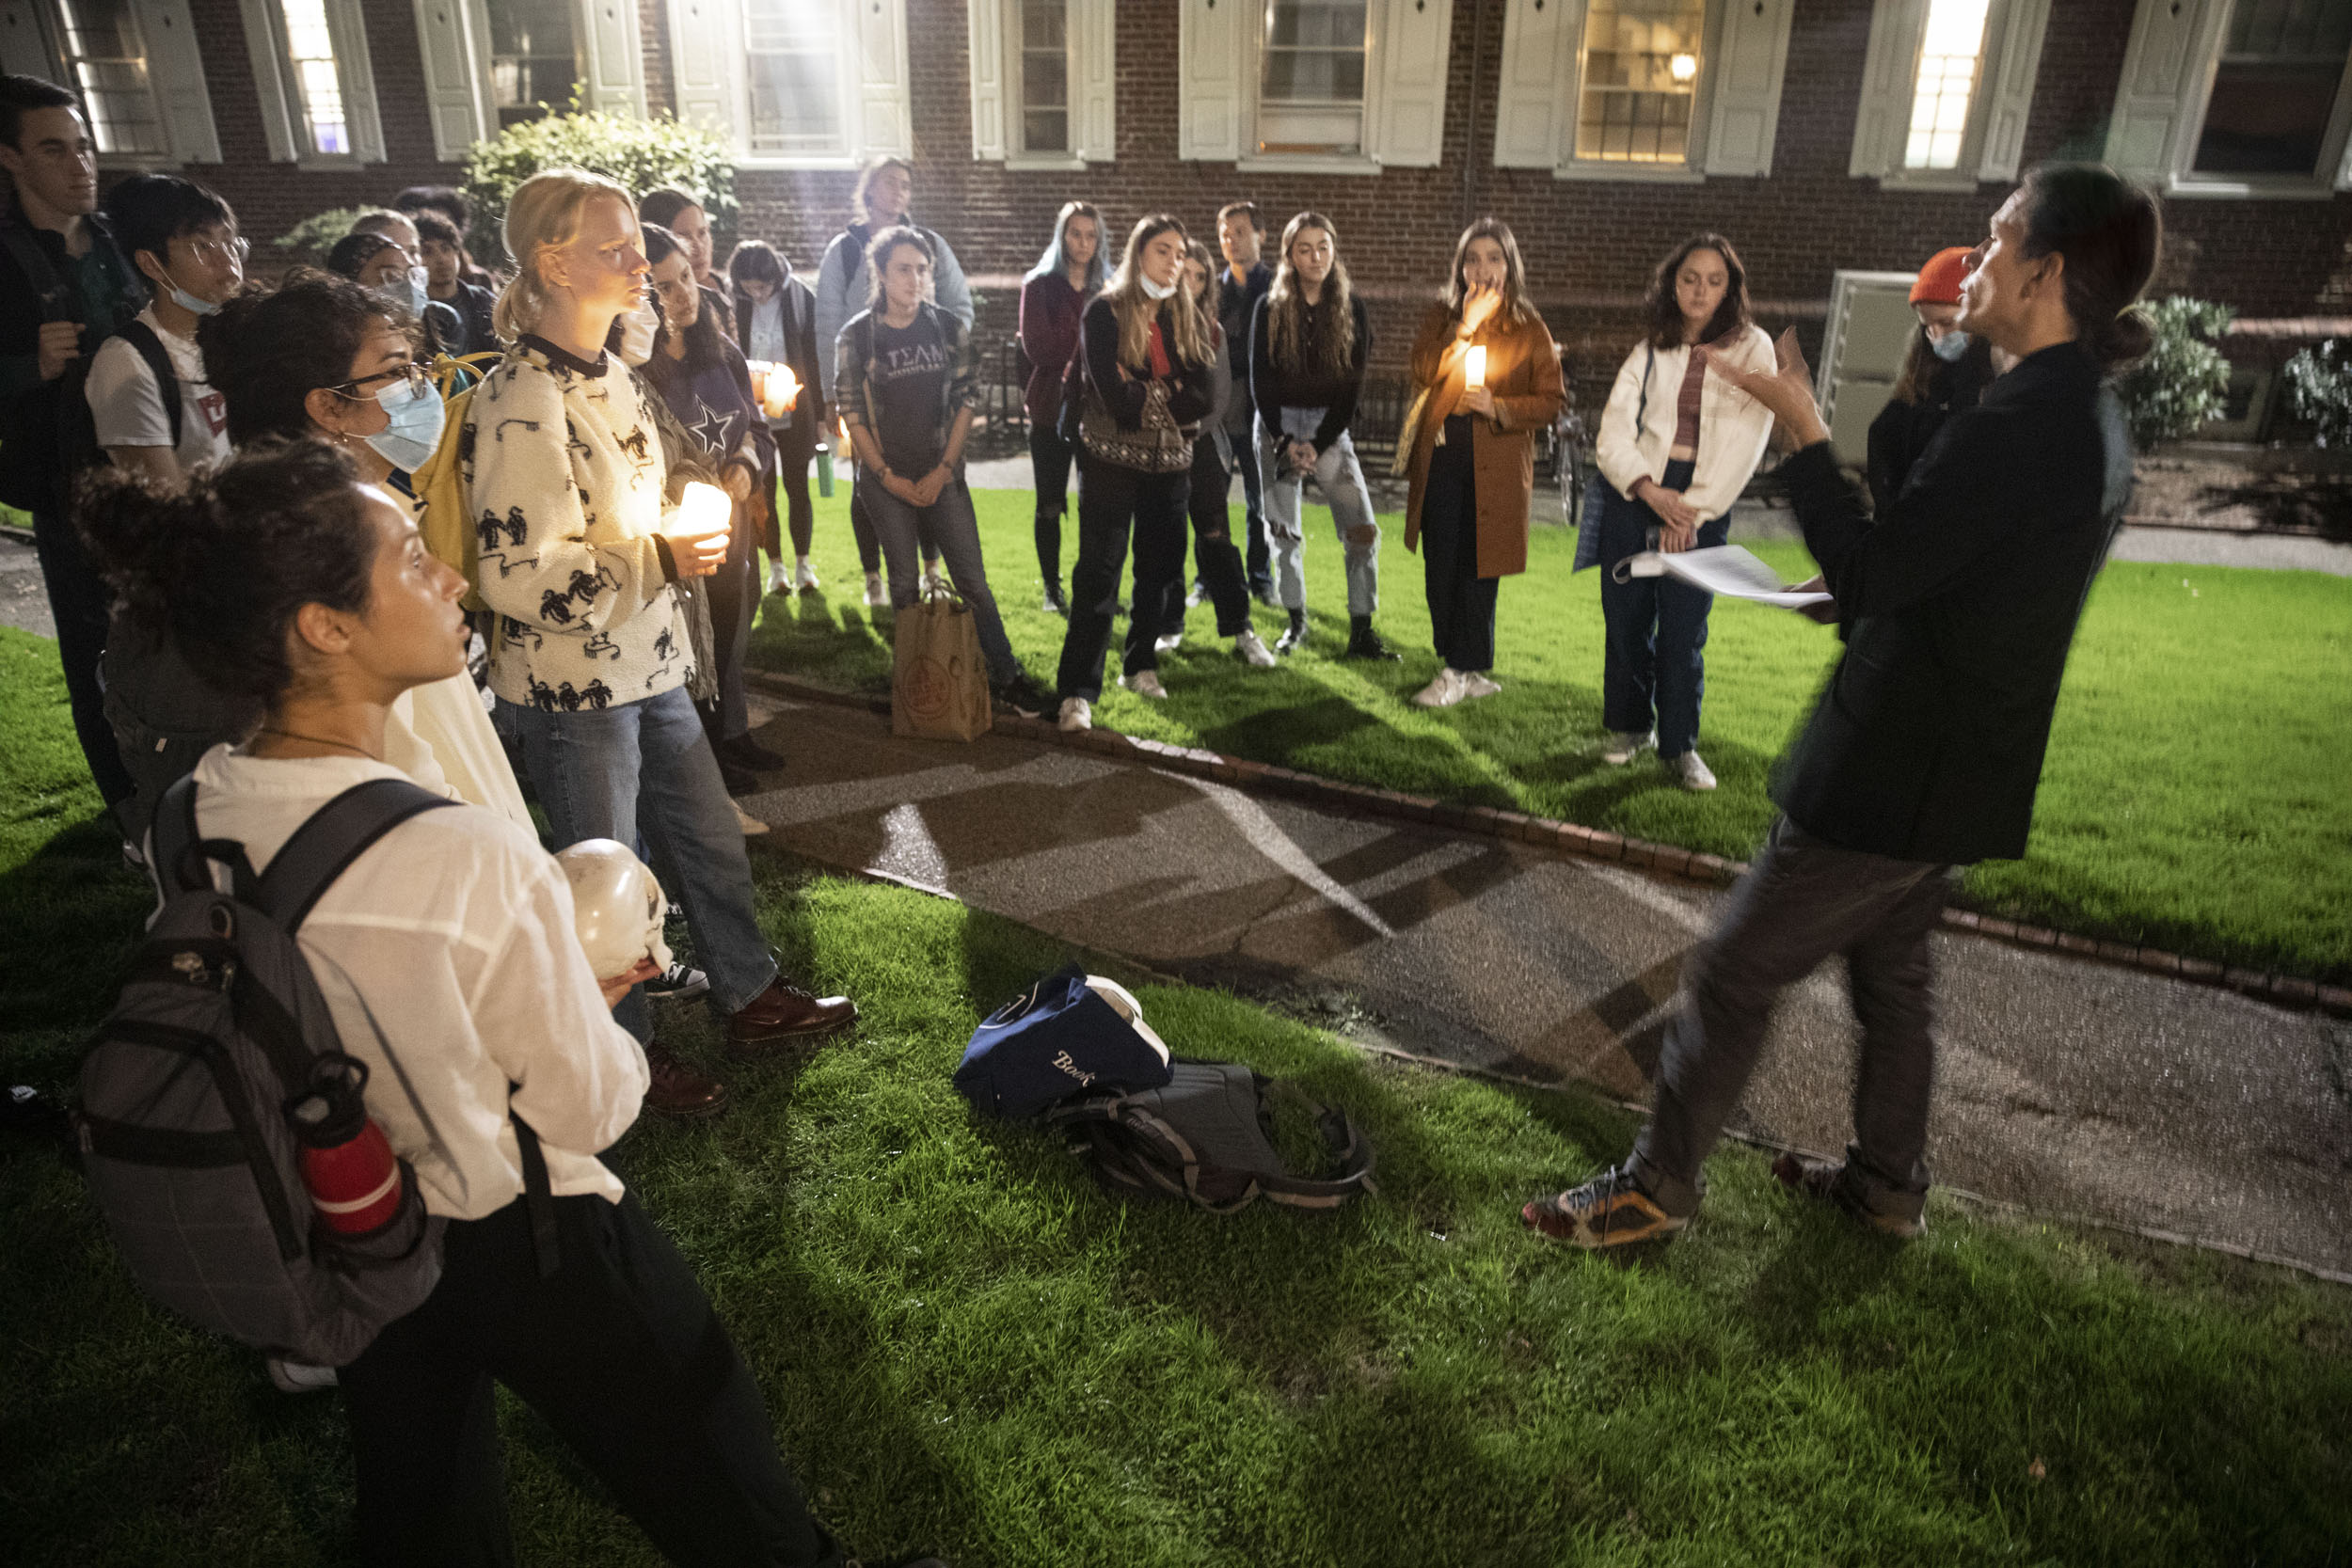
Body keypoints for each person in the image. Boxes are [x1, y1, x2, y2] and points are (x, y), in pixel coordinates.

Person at [74, 439, 878, 1568]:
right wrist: (586, 997)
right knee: (707, 1452)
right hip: (527, 1230)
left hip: (349, 1222)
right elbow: (591, 1106)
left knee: (422, 1494)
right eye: (409, 558)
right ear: (324, 625)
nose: (449, 573)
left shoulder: (192, 811)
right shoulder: (460, 852)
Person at [1527, 165, 2156, 1250]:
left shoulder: (2020, 425)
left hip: (1894, 765)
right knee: (1893, 975)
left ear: (2048, 270)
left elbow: (1877, 571)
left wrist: (1800, 428)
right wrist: (1869, 589)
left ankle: (1653, 1188)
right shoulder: (2085, 419)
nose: (1982, 252)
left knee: (1730, 967)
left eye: (2000, 235)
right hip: (1960, 766)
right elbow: (1972, 582)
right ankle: (1885, 1185)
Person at [468, 169, 858, 1119]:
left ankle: (748, 991)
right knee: (603, 877)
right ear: (553, 263)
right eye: (617, 248)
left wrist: (716, 475)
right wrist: (659, 551)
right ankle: (624, 1053)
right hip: (573, 690)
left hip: (654, 664)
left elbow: (676, 460)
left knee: (710, 843)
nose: (643, 262)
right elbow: (517, 574)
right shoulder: (521, 397)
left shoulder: (613, 373)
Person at [190, 270, 532, 842]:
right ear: (329, 406)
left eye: (419, 367)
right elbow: (391, 757)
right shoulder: (331, 552)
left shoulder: (374, 510)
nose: (427, 386)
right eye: (398, 371)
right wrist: (496, 855)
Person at [0, 74, 145, 829]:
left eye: (83, 145)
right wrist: (29, 365)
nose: (79, 164)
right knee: (96, 640)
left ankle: (182, 778)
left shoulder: (125, 239)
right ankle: (127, 806)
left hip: (147, 466)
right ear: (11, 158)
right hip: (63, 485)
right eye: (53, 149)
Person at [836, 226, 1056, 718]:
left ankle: (1008, 676)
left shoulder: (946, 327)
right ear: (880, 273)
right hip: (884, 479)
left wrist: (943, 471)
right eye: (903, 269)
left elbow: (966, 403)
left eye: (922, 270)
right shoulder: (857, 335)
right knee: (904, 583)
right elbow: (852, 414)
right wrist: (888, 477)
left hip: (943, 474)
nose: (914, 279)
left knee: (973, 581)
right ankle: (918, 683)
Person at [1588, 232, 1777, 792]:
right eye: (1690, 279)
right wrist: (1649, 490)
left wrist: (1691, 511)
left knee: (1682, 629)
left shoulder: (1753, 349)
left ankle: (1680, 745)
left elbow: (1749, 438)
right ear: (1673, 282)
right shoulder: (1652, 347)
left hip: (1704, 503)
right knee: (1625, 618)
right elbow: (1612, 433)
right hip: (1639, 494)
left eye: (1714, 281)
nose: (1700, 291)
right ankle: (1630, 727)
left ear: (1731, 289)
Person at [1052, 214, 1219, 731]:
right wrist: (1167, 392)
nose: (1174, 263)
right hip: (1109, 462)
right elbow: (1114, 399)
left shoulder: (1188, 315)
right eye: (1162, 251)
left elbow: (1205, 397)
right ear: (1138, 255)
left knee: (1159, 571)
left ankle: (1139, 663)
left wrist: (1145, 388)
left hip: (1170, 465)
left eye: (1180, 253)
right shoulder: (1104, 312)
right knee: (1099, 572)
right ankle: (1077, 692)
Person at [641, 222, 783, 810]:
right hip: (680, 534)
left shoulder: (718, 350)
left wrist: (746, 468)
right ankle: (707, 765)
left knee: (729, 638)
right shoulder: (638, 371)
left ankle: (731, 736)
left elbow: (755, 426)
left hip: (734, 523)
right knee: (693, 646)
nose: (685, 295)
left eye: (686, 278)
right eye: (666, 288)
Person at [1399, 218, 1564, 708]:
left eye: (1494, 258)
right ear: (1460, 266)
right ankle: (1456, 664)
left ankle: (1461, 669)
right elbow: (1424, 371)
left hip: (1495, 467)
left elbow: (1552, 401)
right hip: (1445, 460)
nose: (1483, 268)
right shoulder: (1442, 316)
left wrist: (1500, 408)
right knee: (1442, 563)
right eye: (1472, 258)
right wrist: (1466, 326)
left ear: (1510, 265)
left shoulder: (1529, 326)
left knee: (1480, 568)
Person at [814, 158, 965, 609]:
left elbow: (959, 303)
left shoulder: (927, 244)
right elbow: (827, 319)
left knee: (929, 474)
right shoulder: (845, 248)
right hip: (863, 392)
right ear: (869, 190)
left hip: (923, 384)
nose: (898, 192)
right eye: (889, 183)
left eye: (905, 185)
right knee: (871, 481)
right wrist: (831, 390)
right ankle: (874, 575)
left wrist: (950, 355)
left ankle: (931, 569)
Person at [1250, 211, 1392, 660]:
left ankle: (1362, 630)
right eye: (1305, 248)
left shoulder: (1352, 309)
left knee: (1362, 530)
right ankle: (1296, 624)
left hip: (1331, 429)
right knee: (1283, 533)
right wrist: (1284, 441)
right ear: (1290, 255)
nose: (1316, 257)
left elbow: (1352, 387)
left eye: (1324, 247)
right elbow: (1260, 379)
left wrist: (1320, 441)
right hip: (1278, 428)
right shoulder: (1270, 307)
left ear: (1334, 251)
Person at [1157, 237, 1275, 669]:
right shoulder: (1148, 324)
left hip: (1203, 446)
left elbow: (1218, 398)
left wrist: (1186, 429)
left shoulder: (1212, 331)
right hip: (1156, 448)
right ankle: (1169, 626)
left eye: (1200, 276)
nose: (1190, 282)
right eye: (1184, 272)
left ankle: (1241, 628)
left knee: (1216, 539)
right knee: (1165, 540)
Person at [85, 173, 239, 486]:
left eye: (229, 242)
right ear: (151, 264)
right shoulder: (126, 362)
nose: (230, 264)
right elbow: (168, 505)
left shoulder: (234, 337)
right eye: (203, 246)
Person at [1017, 199, 1105, 615]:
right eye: (1076, 233)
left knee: (1098, 506)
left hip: (1098, 410)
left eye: (1091, 234)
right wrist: (1088, 348)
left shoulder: (1109, 287)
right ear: (1062, 236)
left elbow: (1119, 349)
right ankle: (1052, 588)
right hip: (1051, 406)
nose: (1083, 243)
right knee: (1050, 503)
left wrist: (1084, 350)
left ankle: (1093, 589)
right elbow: (1038, 348)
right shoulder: (1038, 285)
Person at [727, 239, 825, 595]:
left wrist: (822, 413)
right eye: (749, 288)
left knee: (798, 489)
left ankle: (803, 565)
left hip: (795, 411)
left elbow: (813, 358)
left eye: (763, 287)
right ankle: (776, 569)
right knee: (762, 492)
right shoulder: (735, 302)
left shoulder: (799, 298)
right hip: (755, 416)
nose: (757, 294)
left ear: (776, 278)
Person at [1869, 245, 1996, 517]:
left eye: (1947, 323)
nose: (1937, 336)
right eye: (1927, 327)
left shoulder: (1995, 382)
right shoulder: (1922, 378)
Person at [1216, 201, 1278, 604]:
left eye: (1240, 231)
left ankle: (1260, 579)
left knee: (1260, 503)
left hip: (1259, 411)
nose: (1232, 240)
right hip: (1218, 412)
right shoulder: (1212, 288)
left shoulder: (1275, 288)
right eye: (1225, 233)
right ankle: (1212, 581)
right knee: (1211, 504)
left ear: (1261, 235)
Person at [326, 230, 465, 357]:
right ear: (349, 282)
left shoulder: (445, 363)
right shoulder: (337, 360)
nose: (408, 285)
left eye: (412, 274)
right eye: (392, 275)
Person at [637, 187, 734, 341]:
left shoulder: (718, 303)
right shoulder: (636, 317)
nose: (699, 247)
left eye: (702, 233)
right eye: (683, 237)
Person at [414, 207, 498, 356]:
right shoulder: (416, 312)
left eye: (445, 249)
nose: (441, 259)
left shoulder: (483, 301)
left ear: (457, 252)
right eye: (427, 251)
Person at [392, 184, 500, 292]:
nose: (441, 259)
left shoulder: (480, 281)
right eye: (427, 251)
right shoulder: (398, 286)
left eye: (443, 223)